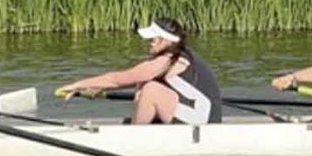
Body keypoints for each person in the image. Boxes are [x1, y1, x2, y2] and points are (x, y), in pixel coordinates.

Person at [56, 18, 222, 125]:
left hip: (203, 125)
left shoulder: (168, 60)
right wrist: (98, 88)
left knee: (151, 89)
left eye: (153, 39)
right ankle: (140, 125)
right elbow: (132, 77)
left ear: (165, 40)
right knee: (144, 82)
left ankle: (136, 134)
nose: (149, 42)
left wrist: (76, 85)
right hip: (195, 116)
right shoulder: (176, 55)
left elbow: (116, 79)